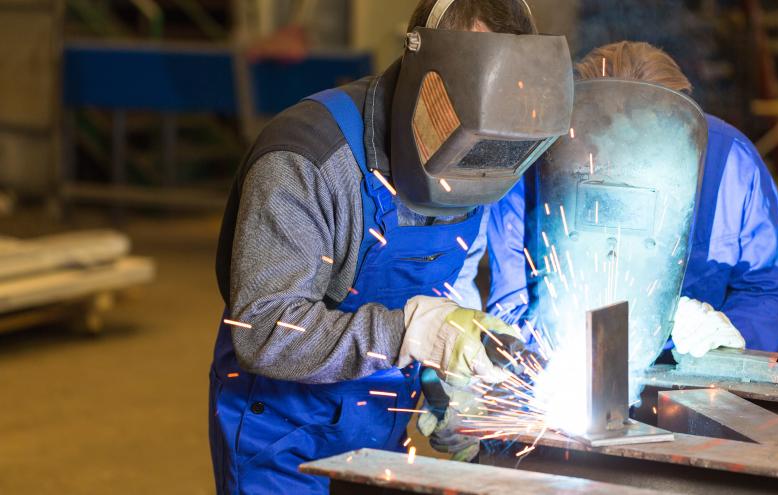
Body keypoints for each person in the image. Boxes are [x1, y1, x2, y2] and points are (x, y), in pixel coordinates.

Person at [209, 1, 573, 493]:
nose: (479, 160)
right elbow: (264, 329)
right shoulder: (307, 157)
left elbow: (454, 285)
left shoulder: (487, 153)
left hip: (379, 427)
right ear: (422, 76)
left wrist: (454, 384)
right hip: (281, 435)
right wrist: (407, 333)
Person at [464, 41, 778, 357]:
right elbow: (513, 304)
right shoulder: (538, 162)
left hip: (693, 379)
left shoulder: (729, 163)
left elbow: (772, 287)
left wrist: (732, 332)